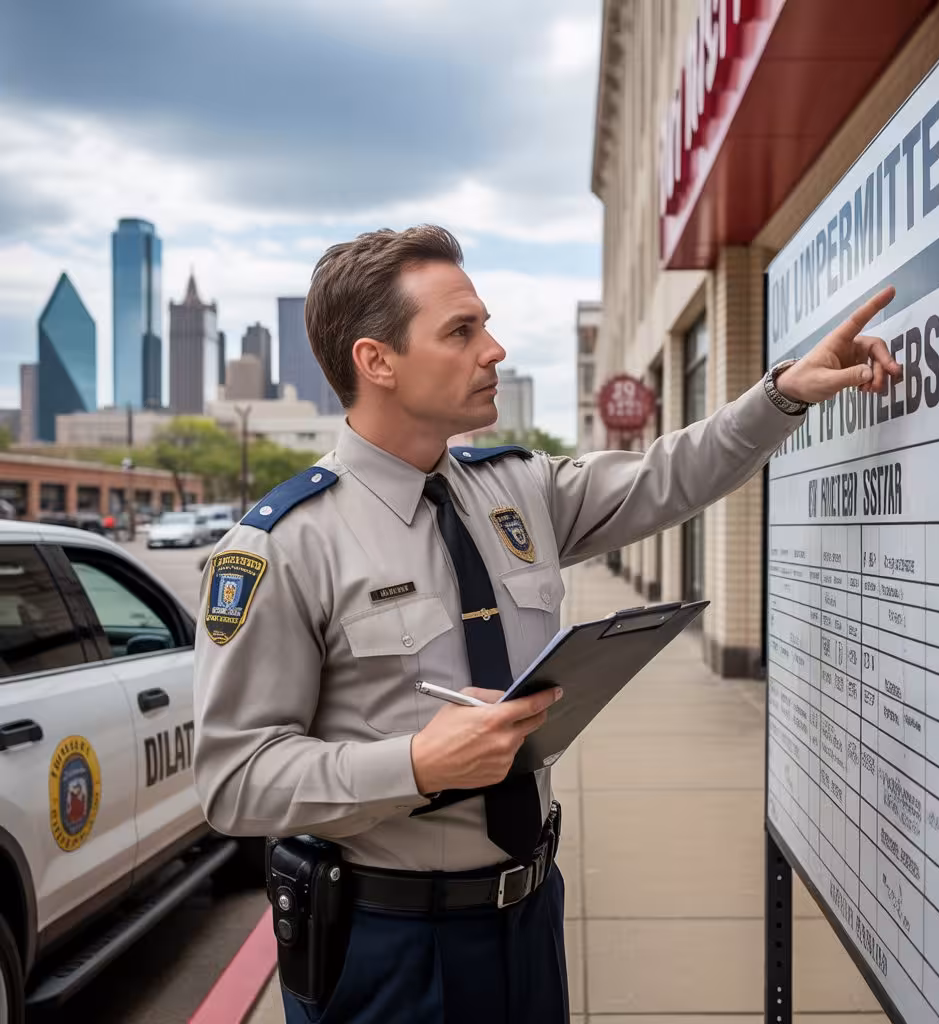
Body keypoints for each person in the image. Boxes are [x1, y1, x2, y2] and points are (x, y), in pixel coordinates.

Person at [191, 224, 901, 1024]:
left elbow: (670, 475)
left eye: (485, 324)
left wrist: (786, 394)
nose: (493, 349)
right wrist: (417, 763)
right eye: (461, 331)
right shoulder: (284, 546)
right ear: (376, 361)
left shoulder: (513, 489)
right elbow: (233, 780)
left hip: (529, 915)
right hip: (388, 947)